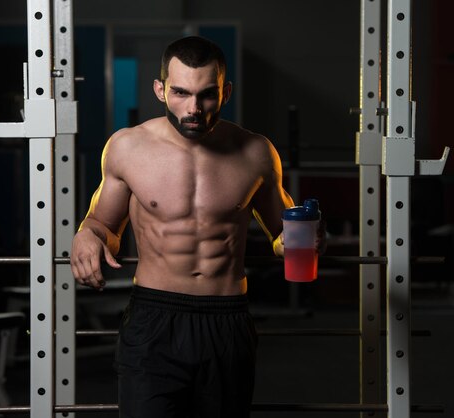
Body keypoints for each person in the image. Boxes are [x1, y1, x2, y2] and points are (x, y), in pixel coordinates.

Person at [71, 36, 324, 418]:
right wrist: (85, 236)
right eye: (180, 92)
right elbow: (102, 224)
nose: (193, 108)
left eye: (207, 94)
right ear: (160, 90)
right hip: (154, 317)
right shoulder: (127, 148)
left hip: (227, 318)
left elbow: (281, 233)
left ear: (226, 93)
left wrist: (305, 241)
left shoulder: (255, 151)